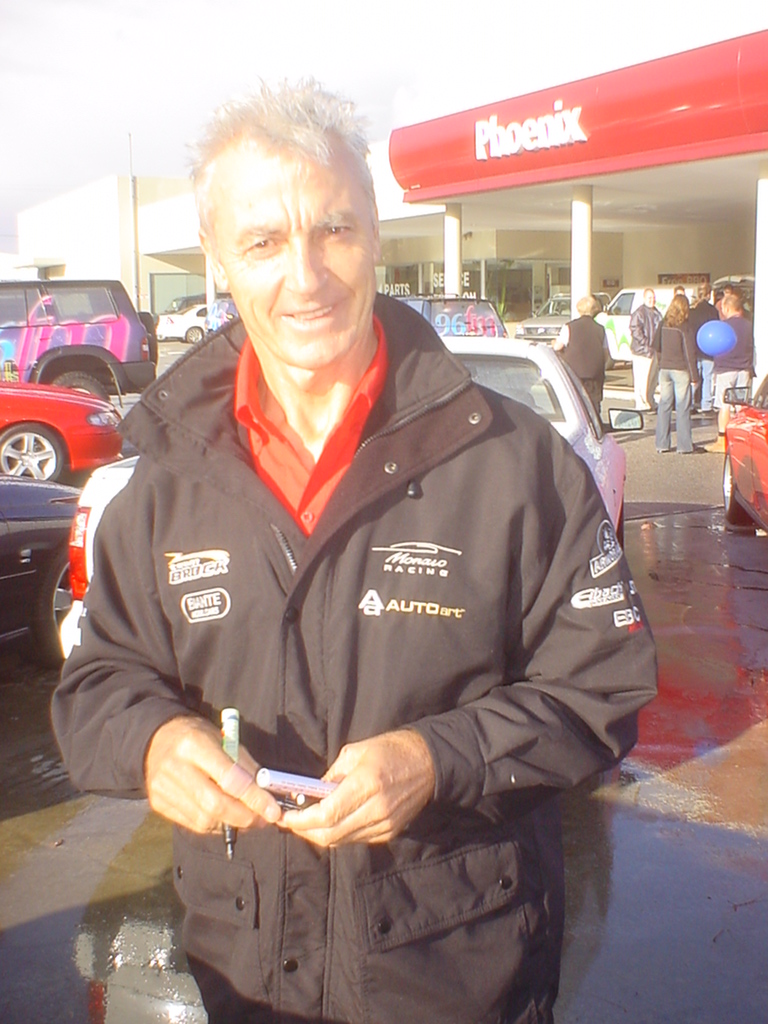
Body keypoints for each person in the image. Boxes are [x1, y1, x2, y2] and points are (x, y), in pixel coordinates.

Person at [52, 81, 657, 1024]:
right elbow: (100, 681)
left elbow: (603, 686)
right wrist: (153, 742)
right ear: (217, 258)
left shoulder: (517, 463)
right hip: (244, 974)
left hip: (463, 975)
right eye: (263, 242)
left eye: (333, 229)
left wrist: (439, 759)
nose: (306, 277)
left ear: (375, 233)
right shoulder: (165, 482)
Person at [708, 291, 755, 452]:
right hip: (744, 368)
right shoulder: (749, 325)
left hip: (725, 369)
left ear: (727, 308)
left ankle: (722, 441)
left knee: (725, 405)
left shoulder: (723, 326)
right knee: (741, 407)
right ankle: (742, 441)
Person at [654, 293, 700, 454]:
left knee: (664, 405)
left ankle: (662, 444)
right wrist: (694, 376)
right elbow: (689, 353)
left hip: (665, 368)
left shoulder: (663, 324)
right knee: (682, 407)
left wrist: (661, 363)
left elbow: (656, 347)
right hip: (680, 369)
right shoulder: (684, 327)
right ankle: (684, 445)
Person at [552, 293, 607, 416]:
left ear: (579, 309)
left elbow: (557, 347)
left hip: (575, 374)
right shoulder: (600, 329)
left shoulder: (569, 327)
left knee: (575, 405)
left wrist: (553, 342)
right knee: (594, 408)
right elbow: (606, 354)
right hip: (595, 376)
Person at [629, 288, 662, 412]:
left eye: (653, 298)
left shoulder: (657, 313)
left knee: (651, 380)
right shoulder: (639, 313)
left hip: (653, 352)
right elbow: (635, 330)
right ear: (644, 299)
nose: (652, 300)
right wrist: (646, 345)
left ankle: (650, 401)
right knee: (641, 380)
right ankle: (641, 403)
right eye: (649, 298)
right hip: (641, 352)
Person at [688, 282, 719, 413]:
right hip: (708, 350)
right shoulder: (713, 311)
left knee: (693, 378)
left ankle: (688, 403)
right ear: (709, 294)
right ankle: (706, 404)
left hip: (694, 349)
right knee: (708, 377)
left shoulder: (692, 311)